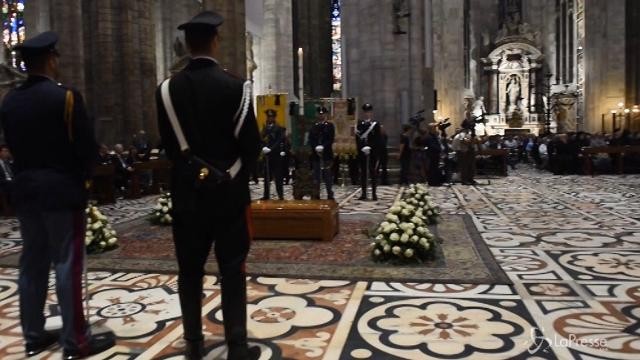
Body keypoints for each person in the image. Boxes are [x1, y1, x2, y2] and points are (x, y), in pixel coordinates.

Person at [0, 31, 115, 359]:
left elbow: (11, 144)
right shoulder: (65, 97)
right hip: (61, 192)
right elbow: (85, 148)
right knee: (66, 263)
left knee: (31, 264)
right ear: (51, 59)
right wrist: (88, 171)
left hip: (25, 192)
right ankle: (75, 341)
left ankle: (33, 335)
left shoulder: (10, 100)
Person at [156, 11, 261, 360]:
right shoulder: (237, 87)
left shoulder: (166, 90)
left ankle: (193, 344)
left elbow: (171, 149)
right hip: (229, 195)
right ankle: (237, 345)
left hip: (187, 194)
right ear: (215, 41)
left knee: (188, 270)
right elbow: (251, 147)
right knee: (233, 269)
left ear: (187, 45)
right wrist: (230, 172)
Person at [356, 103, 382, 200]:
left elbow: (378, 139)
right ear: (364, 113)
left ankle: (374, 193)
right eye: (366, 112)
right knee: (363, 173)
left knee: (373, 172)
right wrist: (362, 147)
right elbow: (358, 138)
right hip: (363, 152)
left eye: (369, 112)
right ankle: (363, 193)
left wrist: (370, 147)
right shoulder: (360, 124)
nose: (367, 114)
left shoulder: (375, 124)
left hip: (372, 152)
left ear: (371, 113)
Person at [308, 106, 335, 200]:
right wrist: (315, 147)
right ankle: (317, 194)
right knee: (316, 176)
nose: (321, 115)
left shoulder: (330, 126)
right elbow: (311, 139)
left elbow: (331, 139)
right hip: (316, 154)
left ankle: (329, 193)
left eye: (323, 113)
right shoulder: (313, 126)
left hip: (326, 154)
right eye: (319, 114)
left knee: (327, 175)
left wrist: (323, 146)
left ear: (326, 114)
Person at [261, 109, 286, 200]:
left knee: (278, 176)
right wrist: (263, 148)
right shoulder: (265, 127)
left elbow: (279, 141)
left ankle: (280, 195)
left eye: (271, 117)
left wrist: (270, 149)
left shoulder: (279, 128)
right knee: (267, 176)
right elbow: (261, 139)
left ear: (274, 117)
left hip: (276, 155)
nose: (269, 118)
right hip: (267, 156)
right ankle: (266, 195)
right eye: (268, 116)